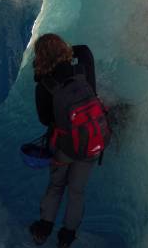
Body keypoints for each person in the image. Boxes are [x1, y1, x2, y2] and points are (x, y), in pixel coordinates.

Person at [29, 33, 98, 248]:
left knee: (57, 185)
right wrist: (64, 52)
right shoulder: (82, 68)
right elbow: (84, 49)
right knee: (77, 191)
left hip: (64, 146)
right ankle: (67, 237)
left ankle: (44, 229)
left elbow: (45, 119)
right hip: (90, 140)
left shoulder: (44, 86)